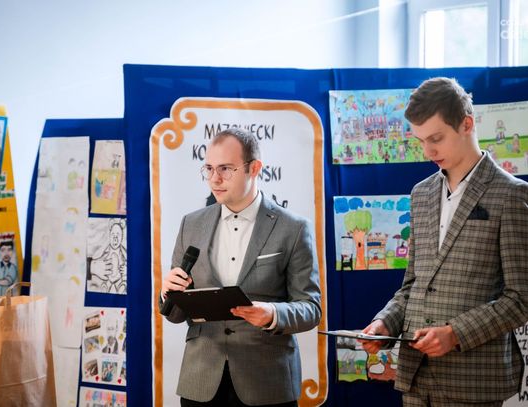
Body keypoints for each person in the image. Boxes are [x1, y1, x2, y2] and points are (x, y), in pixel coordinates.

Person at [360, 77, 528, 406]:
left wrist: (454, 334)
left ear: (467, 124)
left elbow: (521, 299)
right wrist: (384, 323)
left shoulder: (512, 195)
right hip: (415, 377)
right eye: (421, 141)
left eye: (436, 138)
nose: (428, 151)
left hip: (473, 381)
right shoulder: (420, 194)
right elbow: (413, 285)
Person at [160, 128, 321, 407]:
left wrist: (272, 314)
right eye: (209, 168)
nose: (214, 179)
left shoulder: (293, 228)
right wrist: (168, 293)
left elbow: (311, 308)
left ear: (254, 168)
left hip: (267, 382)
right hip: (200, 381)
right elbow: (175, 315)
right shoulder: (191, 224)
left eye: (225, 169)